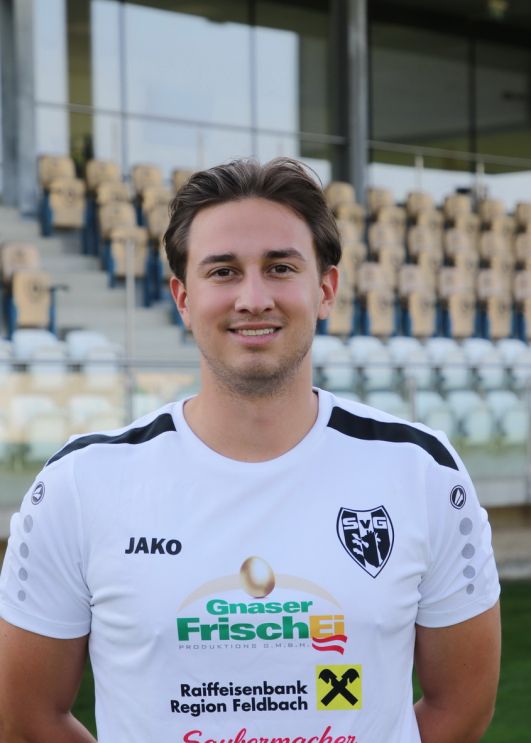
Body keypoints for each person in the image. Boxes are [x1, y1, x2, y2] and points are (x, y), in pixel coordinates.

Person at [0, 158, 500, 743]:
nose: (254, 298)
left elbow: (461, 705)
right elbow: (27, 719)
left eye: (280, 268)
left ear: (325, 290)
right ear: (183, 298)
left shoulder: (420, 470)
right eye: (224, 272)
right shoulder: (81, 483)